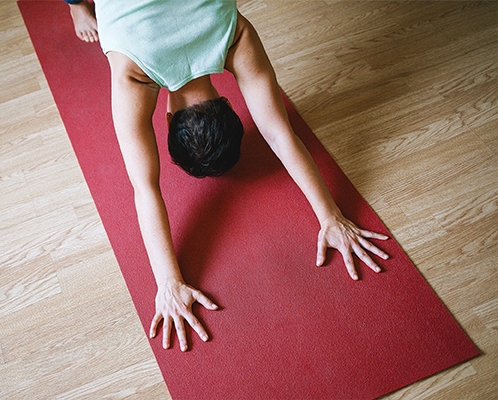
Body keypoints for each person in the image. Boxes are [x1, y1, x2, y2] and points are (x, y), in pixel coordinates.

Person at [65, 0, 390, 352]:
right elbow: (143, 187)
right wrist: (166, 283)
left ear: (231, 105)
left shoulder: (236, 37)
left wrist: (331, 216)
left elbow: (279, 133)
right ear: (169, 119)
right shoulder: (134, 75)